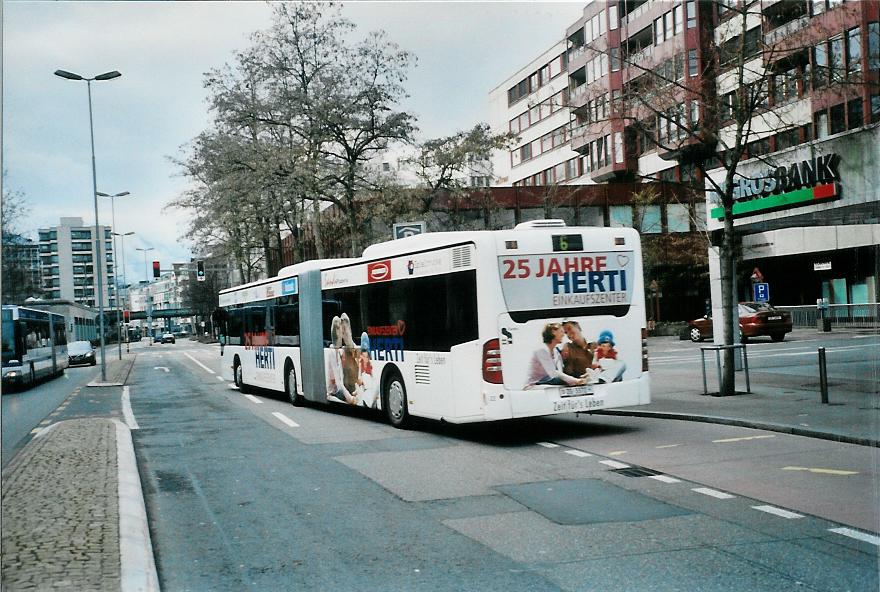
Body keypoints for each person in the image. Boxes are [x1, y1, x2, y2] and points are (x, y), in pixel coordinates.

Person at [526, 323, 586, 387]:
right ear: (553, 332)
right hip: (535, 384)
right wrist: (575, 380)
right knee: (568, 380)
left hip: (549, 382)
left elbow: (560, 372)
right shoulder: (541, 350)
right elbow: (553, 373)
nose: (563, 335)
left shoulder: (556, 352)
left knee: (574, 378)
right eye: (561, 331)